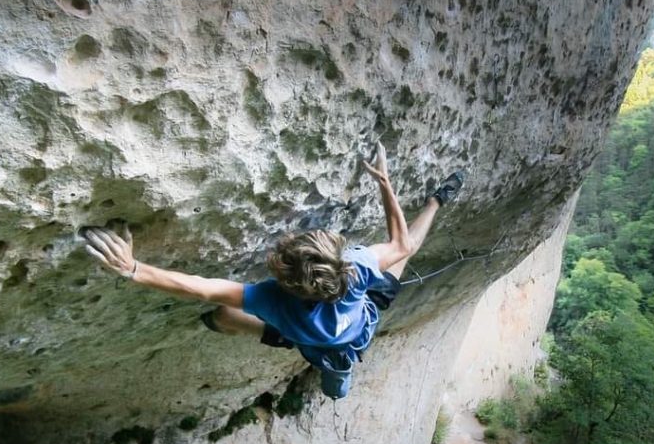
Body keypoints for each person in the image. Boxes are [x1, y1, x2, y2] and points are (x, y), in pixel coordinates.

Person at [83, 142, 464, 398]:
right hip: (359, 326)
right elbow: (402, 244)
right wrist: (384, 183)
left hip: (316, 346)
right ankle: (435, 203)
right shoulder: (356, 268)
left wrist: (134, 268)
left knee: (224, 318)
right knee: (403, 258)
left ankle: (332, 381)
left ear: (286, 280)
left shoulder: (273, 300)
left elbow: (202, 288)